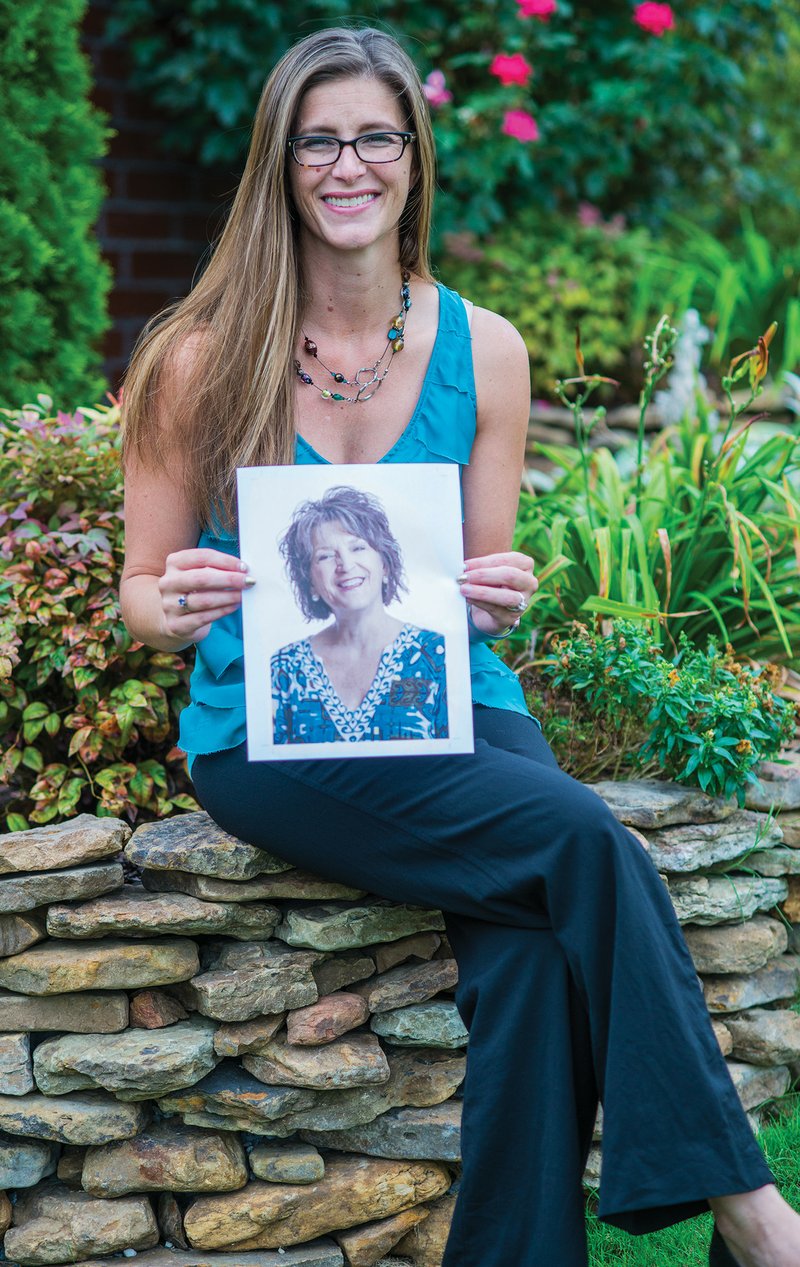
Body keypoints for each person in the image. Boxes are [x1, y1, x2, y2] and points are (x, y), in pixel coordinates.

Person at [119, 25, 800, 1267]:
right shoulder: (197, 360)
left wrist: (502, 592)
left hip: (459, 703)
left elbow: (477, 580)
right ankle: (748, 1212)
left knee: (534, 960)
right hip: (274, 731)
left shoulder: (484, 347)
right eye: (316, 139)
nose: (346, 165)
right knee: (586, 838)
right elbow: (138, 595)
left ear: (413, 159)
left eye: (374, 137)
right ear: (278, 162)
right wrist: (178, 602)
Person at [272, 484, 448, 744]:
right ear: (309, 582)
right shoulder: (284, 668)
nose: (346, 565)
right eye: (326, 556)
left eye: (357, 548)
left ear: (385, 565)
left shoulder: (435, 654)